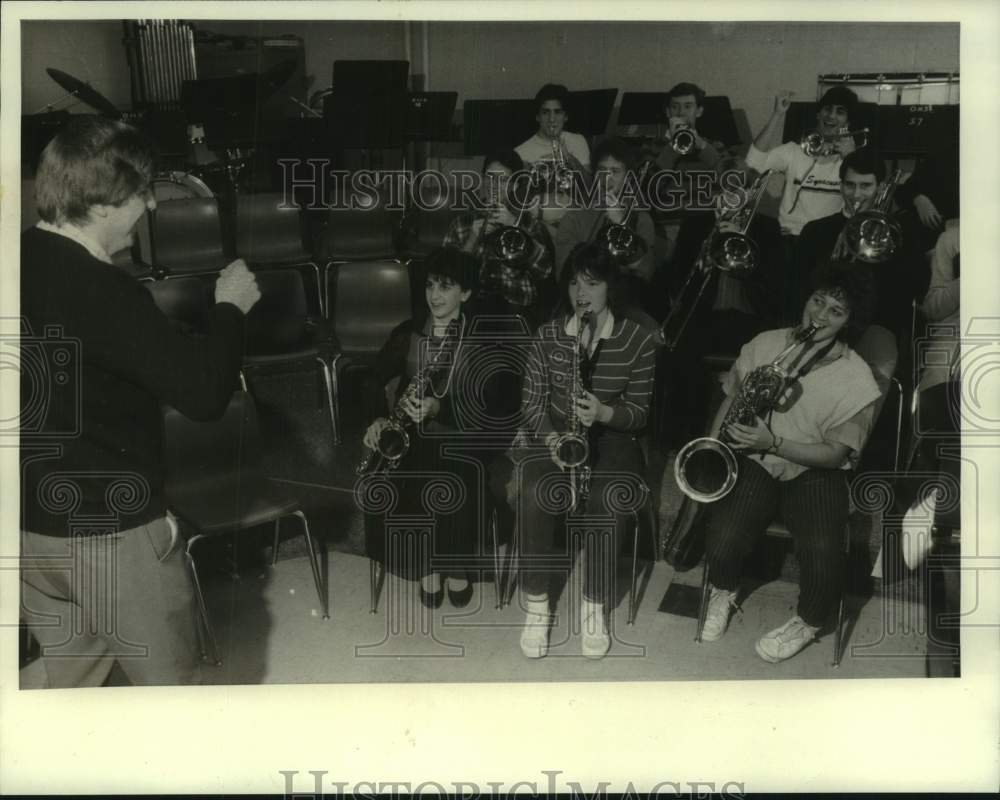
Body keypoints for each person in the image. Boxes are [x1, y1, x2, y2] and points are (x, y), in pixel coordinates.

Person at [19, 116, 261, 688]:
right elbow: (203, 396)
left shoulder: (18, 258)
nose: (151, 207)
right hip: (110, 533)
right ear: (102, 204)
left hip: (29, 527)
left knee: (73, 688)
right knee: (170, 698)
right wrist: (230, 310)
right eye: (140, 194)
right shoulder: (105, 290)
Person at [699, 261, 882, 663]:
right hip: (757, 461)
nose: (820, 314)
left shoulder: (859, 379)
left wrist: (776, 441)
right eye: (818, 301)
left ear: (850, 322)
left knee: (822, 551)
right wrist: (713, 449)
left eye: (836, 311)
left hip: (815, 470)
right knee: (723, 538)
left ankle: (809, 621)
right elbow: (732, 395)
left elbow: (835, 454)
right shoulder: (765, 342)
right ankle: (724, 591)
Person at [512, 242, 657, 660]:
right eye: (574, 282)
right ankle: (537, 605)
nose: (581, 292)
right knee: (533, 489)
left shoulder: (638, 340)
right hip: (557, 435)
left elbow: (640, 413)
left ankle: (593, 605)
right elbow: (532, 404)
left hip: (613, 436)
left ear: (611, 287)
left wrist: (606, 412)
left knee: (608, 500)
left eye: (592, 283)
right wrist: (552, 439)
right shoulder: (548, 334)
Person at [361, 248, 491, 609]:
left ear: (465, 293)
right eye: (431, 285)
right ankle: (426, 567)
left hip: (461, 432)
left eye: (446, 287)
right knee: (399, 471)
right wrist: (376, 418)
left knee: (447, 468)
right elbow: (372, 379)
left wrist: (439, 407)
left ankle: (455, 565)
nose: (435, 296)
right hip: (410, 430)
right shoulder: (409, 332)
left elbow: (489, 406)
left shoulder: (479, 339)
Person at [797, 148, 928, 358]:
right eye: (850, 185)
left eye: (865, 186)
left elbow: (914, 288)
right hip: (821, 322)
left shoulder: (897, 233)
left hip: (874, 328)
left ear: (881, 187)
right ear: (840, 186)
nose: (856, 194)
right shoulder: (815, 231)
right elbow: (801, 286)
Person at [746, 85, 862, 322]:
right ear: (818, 115)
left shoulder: (855, 162)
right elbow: (754, 162)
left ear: (848, 121)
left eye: (840, 111)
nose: (831, 116)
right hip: (789, 240)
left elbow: (860, 203)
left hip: (827, 245)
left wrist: (852, 157)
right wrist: (778, 115)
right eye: (827, 109)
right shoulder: (793, 151)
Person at [443, 150, 555, 328]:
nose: (494, 185)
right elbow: (446, 279)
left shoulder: (529, 223)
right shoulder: (462, 223)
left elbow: (545, 270)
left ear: (515, 185)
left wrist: (514, 226)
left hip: (515, 312)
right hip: (471, 310)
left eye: (503, 180)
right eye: (490, 177)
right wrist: (472, 238)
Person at [515, 84, 591, 239]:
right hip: (541, 229)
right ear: (537, 116)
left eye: (558, 112)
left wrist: (570, 159)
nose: (551, 119)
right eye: (545, 112)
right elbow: (518, 205)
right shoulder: (521, 152)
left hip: (579, 222)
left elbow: (590, 189)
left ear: (566, 116)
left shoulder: (578, 141)